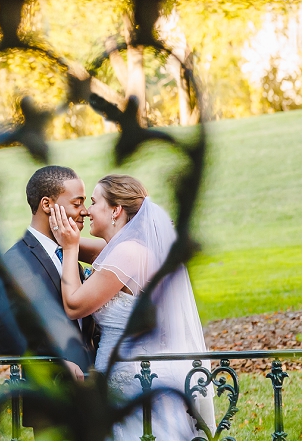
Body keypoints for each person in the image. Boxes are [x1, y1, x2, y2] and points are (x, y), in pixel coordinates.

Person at [50, 174, 216, 440]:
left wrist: (69, 248)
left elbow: (74, 305)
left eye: (93, 202)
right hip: (133, 374)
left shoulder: (129, 253)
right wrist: (59, 236)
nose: (88, 211)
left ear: (116, 210)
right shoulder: (130, 247)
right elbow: (95, 253)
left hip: (133, 379)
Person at [0, 165, 99, 428]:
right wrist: (54, 361)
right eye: (77, 203)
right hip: (50, 401)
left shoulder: (70, 255)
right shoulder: (11, 263)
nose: (86, 211)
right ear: (47, 204)